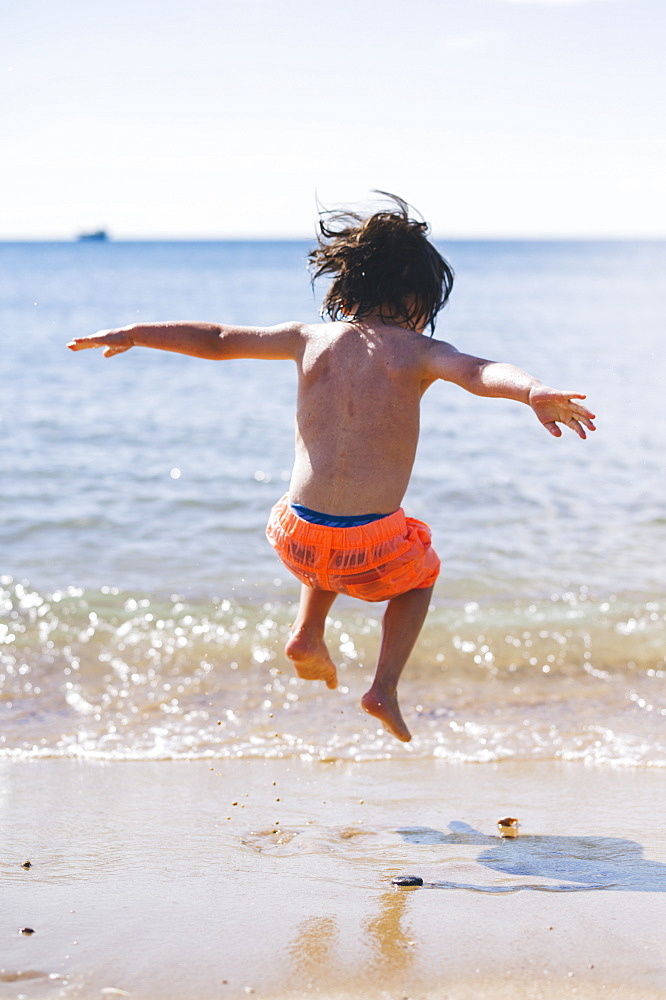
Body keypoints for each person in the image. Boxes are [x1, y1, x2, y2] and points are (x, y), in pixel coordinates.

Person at [67, 193, 596, 743]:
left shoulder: (307, 338)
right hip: (370, 544)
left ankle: (307, 631)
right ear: (419, 297)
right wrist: (531, 390)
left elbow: (218, 339)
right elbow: (480, 371)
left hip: (294, 535)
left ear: (348, 287)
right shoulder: (418, 351)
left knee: (329, 542)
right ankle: (383, 687)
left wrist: (135, 331)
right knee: (421, 574)